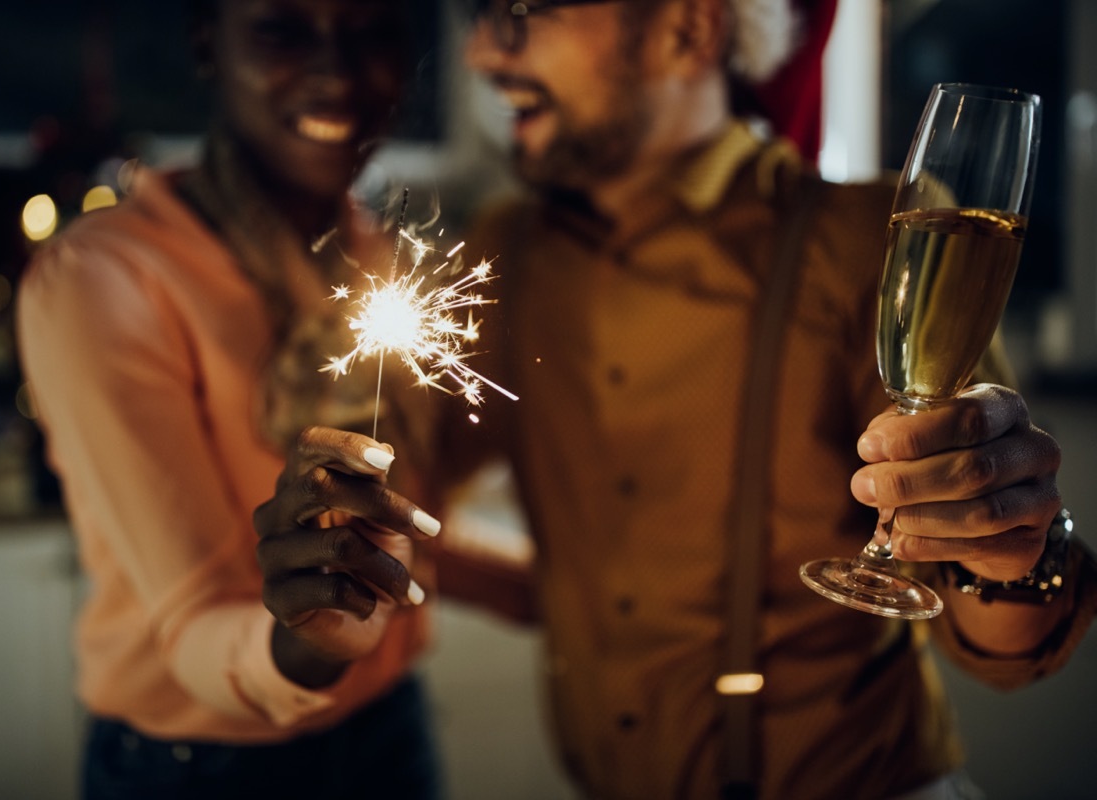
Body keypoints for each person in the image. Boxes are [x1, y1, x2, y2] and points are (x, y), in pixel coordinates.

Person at [258, 0, 1097, 798]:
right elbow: (402, 473)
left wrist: (1014, 546)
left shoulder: (859, 244)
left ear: (687, 29)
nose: (483, 52)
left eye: (526, 10)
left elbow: (1004, 648)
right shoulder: (508, 254)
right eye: (483, 16)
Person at [15, 1, 445, 797]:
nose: (337, 72)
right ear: (208, 42)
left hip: (389, 728)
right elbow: (195, 627)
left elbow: (407, 532)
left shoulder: (373, 255)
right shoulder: (105, 282)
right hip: (202, 768)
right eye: (284, 28)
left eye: (369, 30)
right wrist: (313, 642)